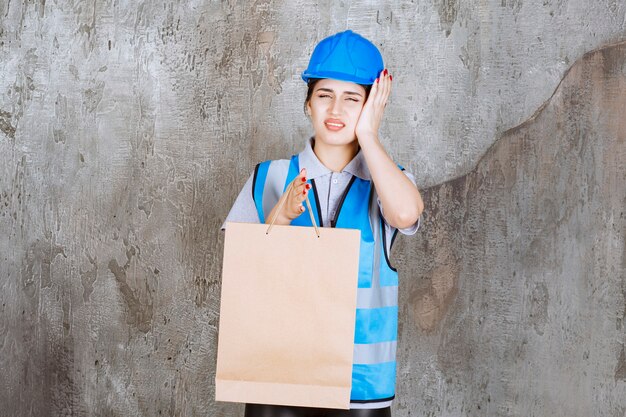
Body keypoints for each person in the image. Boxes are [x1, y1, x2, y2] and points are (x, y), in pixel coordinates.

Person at [222, 30, 424, 417]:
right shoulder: (269, 177)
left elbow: (404, 214)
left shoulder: (389, 181)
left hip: (361, 388)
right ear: (307, 104)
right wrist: (277, 219)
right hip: (277, 380)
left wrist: (368, 135)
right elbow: (240, 275)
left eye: (352, 99)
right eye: (324, 96)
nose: (336, 110)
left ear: (371, 106)